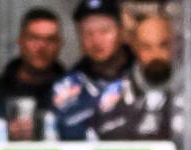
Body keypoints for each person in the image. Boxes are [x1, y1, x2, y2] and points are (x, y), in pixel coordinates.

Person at [92, 14, 191, 142]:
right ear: (135, 49)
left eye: (163, 45)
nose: (155, 54)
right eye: (146, 47)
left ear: (175, 45)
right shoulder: (114, 95)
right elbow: (94, 142)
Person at [52, 0, 133, 141]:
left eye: (104, 31)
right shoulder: (64, 87)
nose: (96, 40)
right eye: (87, 33)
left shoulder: (142, 79)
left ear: (122, 32)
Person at [0, 7, 67, 137]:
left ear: (60, 44)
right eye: (34, 38)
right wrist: (3, 133)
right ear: (21, 40)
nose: (41, 46)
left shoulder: (74, 93)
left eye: (50, 39)